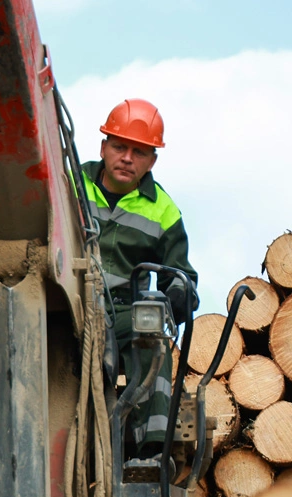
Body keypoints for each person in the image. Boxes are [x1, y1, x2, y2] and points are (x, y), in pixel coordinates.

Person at [82, 98, 198, 459]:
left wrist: (177, 295)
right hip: (64, 302)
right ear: (103, 147)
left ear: (152, 161)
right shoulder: (69, 182)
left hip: (121, 316)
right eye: (119, 146)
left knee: (150, 329)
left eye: (139, 151)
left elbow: (182, 277)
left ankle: (151, 452)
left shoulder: (164, 210)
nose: (127, 157)